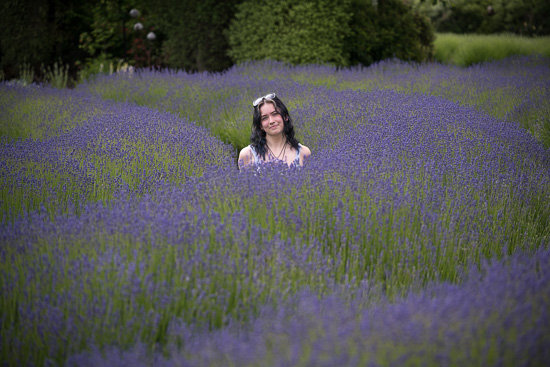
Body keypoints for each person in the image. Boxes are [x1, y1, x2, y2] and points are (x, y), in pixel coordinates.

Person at [238, 93, 311, 170]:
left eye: (275, 114)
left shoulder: (303, 152)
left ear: (285, 116)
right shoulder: (247, 154)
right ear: (260, 125)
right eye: (264, 118)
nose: (271, 121)